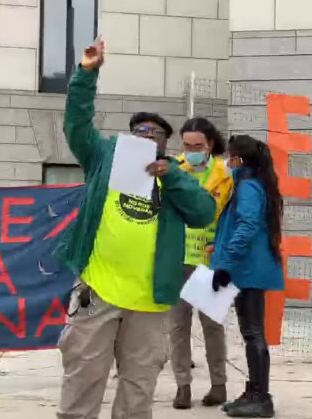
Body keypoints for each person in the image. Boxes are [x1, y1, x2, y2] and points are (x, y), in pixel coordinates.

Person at [55, 37, 216, 419]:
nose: (147, 136)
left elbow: (203, 212)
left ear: (165, 144)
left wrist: (170, 176)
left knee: (139, 388)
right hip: (99, 293)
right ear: (129, 135)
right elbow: (76, 124)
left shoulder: (174, 177)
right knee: (82, 380)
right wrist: (86, 74)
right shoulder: (104, 158)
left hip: (150, 303)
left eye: (156, 133)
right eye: (140, 130)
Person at [210, 135, 285, 418]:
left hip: (249, 269)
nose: (226, 162)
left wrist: (225, 263)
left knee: (253, 332)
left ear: (238, 160)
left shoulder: (249, 186)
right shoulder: (254, 183)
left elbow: (247, 225)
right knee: (250, 331)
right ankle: (254, 390)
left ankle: (260, 396)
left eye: (229, 157)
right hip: (250, 267)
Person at [168, 117, 234, 409]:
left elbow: (233, 217)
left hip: (210, 260)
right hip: (176, 258)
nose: (191, 151)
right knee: (177, 327)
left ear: (210, 144)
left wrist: (224, 248)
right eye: (187, 145)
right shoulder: (172, 169)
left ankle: (219, 385)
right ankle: (182, 386)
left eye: (198, 146)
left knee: (213, 325)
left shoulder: (226, 174)